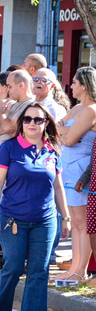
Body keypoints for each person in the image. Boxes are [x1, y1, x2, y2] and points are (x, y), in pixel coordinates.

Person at [0, 103, 69, 311]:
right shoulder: (9, 148)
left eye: (38, 120)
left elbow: (58, 187)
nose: (32, 123)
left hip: (45, 221)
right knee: (12, 267)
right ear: (21, 122)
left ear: (46, 124)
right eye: (27, 119)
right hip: (13, 219)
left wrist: (66, 217)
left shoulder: (53, 151)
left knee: (39, 272)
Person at [60, 67, 96, 285]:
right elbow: (54, 129)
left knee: (82, 222)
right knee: (75, 221)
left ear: (84, 85)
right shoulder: (75, 109)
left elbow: (70, 139)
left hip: (81, 168)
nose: (71, 86)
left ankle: (80, 269)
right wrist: (65, 132)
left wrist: (65, 132)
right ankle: (74, 266)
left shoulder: (91, 110)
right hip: (67, 167)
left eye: (74, 82)